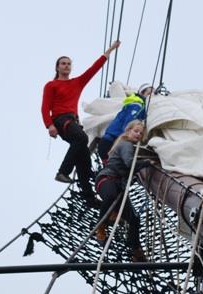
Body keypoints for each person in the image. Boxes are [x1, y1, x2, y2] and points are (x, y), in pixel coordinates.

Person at [41, 41, 121, 203]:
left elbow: (93, 69)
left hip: (74, 122)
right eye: (63, 63)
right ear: (57, 67)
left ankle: (89, 197)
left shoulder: (76, 82)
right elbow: (44, 108)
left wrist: (109, 51)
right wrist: (49, 125)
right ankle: (63, 172)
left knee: (83, 158)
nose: (66, 66)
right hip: (60, 120)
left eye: (69, 64)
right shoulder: (52, 85)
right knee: (82, 139)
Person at [94, 119, 147, 261]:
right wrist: (147, 162)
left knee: (134, 219)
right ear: (128, 131)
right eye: (136, 131)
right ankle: (101, 227)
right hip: (107, 179)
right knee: (110, 196)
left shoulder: (133, 148)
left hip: (119, 187)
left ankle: (135, 249)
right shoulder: (126, 144)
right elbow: (130, 163)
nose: (138, 135)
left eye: (141, 133)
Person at [97, 83, 153, 160]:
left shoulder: (138, 105)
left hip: (108, 142)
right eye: (149, 93)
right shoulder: (137, 105)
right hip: (111, 143)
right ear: (142, 94)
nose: (152, 96)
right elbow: (128, 125)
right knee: (116, 168)